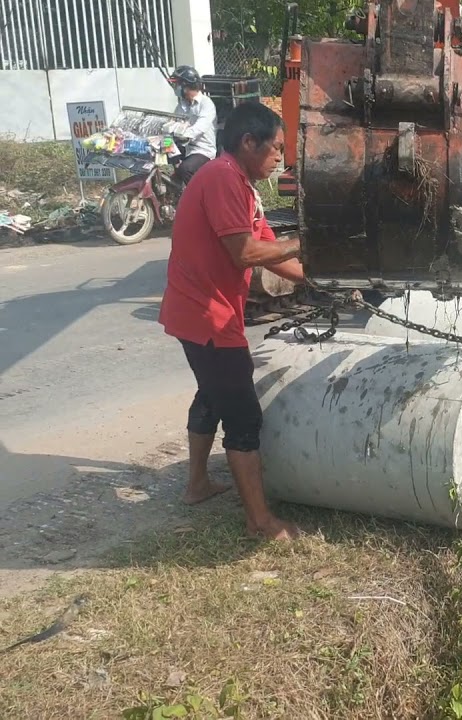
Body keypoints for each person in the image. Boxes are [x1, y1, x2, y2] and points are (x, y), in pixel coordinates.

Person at [157, 102, 305, 542]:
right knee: (242, 417)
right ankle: (260, 522)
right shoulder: (222, 178)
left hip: (198, 311)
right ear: (248, 142)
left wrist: (320, 278)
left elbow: (270, 250)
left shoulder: (243, 186)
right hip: (207, 316)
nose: (280, 157)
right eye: (276, 148)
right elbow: (245, 253)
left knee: (210, 394)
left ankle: (197, 485)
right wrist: (306, 242)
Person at [170, 65, 218, 186]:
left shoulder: (206, 104)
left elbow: (198, 129)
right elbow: (174, 122)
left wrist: (181, 133)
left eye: (177, 84)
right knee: (161, 153)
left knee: (185, 169)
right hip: (185, 146)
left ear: (186, 86)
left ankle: (199, 198)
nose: (175, 88)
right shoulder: (182, 105)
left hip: (203, 149)